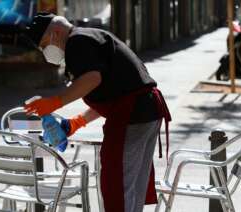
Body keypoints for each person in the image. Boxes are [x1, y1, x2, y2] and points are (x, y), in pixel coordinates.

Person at [24, 13, 171, 212]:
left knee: (117, 181)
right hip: (145, 111)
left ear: (56, 33)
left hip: (133, 115)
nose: (45, 52)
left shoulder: (76, 42)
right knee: (132, 182)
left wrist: (54, 102)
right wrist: (76, 122)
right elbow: (111, 93)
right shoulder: (89, 37)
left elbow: (92, 79)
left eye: (43, 45)